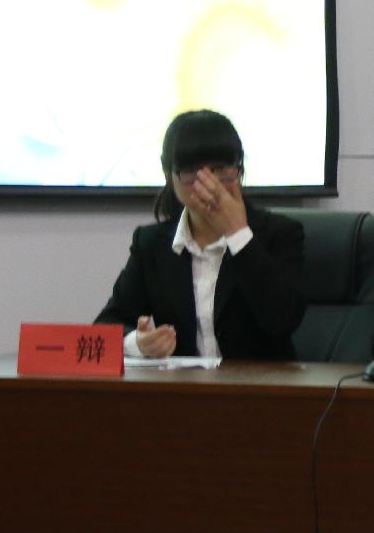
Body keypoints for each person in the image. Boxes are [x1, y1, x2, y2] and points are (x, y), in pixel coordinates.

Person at [96, 109, 306, 360]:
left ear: (239, 168)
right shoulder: (151, 244)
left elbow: (282, 320)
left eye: (220, 169)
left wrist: (238, 235)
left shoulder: (280, 234)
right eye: (192, 171)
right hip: (183, 385)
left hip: (259, 383)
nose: (208, 183)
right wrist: (137, 343)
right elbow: (106, 326)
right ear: (168, 174)